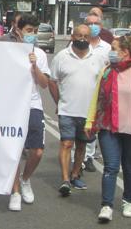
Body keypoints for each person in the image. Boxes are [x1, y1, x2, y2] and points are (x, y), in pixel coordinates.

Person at [85, 36, 131, 223]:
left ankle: (128, 200)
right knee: (110, 167)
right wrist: (90, 122)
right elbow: (96, 98)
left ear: (125, 52)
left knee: (130, 167)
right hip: (109, 127)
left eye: (115, 48)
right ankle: (106, 205)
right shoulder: (107, 71)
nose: (111, 51)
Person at [0, 14, 50, 212]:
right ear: (18, 30)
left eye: (35, 31)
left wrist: (34, 66)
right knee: (14, 152)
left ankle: (25, 178)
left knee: (36, 151)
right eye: (29, 31)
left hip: (33, 106)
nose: (33, 35)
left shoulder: (41, 55)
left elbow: (44, 84)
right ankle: (16, 192)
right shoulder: (6, 50)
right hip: (10, 107)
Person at [49, 24, 106, 197]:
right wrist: (59, 102)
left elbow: (104, 82)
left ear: (90, 39)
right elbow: (52, 81)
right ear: (72, 37)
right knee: (66, 143)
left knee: (81, 145)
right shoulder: (61, 56)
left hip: (88, 113)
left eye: (86, 36)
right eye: (79, 35)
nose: (82, 39)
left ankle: (75, 174)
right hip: (67, 110)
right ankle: (65, 179)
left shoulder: (98, 57)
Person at [81, 14, 111, 172]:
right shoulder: (80, 44)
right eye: (90, 23)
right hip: (81, 93)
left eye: (96, 23)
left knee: (94, 125)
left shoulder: (107, 48)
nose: (93, 26)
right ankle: (78, 157)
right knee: (80, 126)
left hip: (100, 94)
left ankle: (89, 156)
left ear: (101, 25)